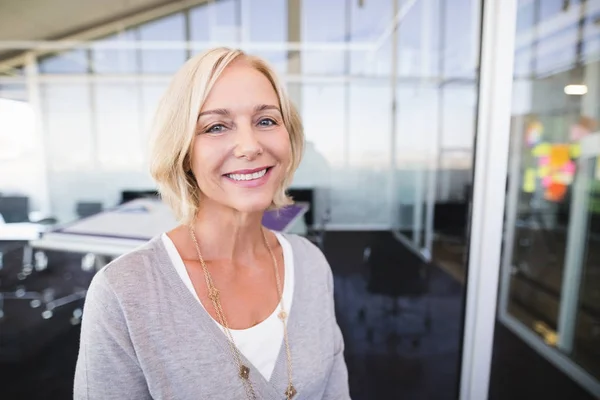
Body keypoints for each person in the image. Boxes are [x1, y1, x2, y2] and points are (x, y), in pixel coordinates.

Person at [73, 47, 350, 400]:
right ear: (184, 152)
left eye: (266, 120)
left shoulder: (310, 264)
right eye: (216, 126)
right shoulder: (124, 292)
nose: (249, 146)